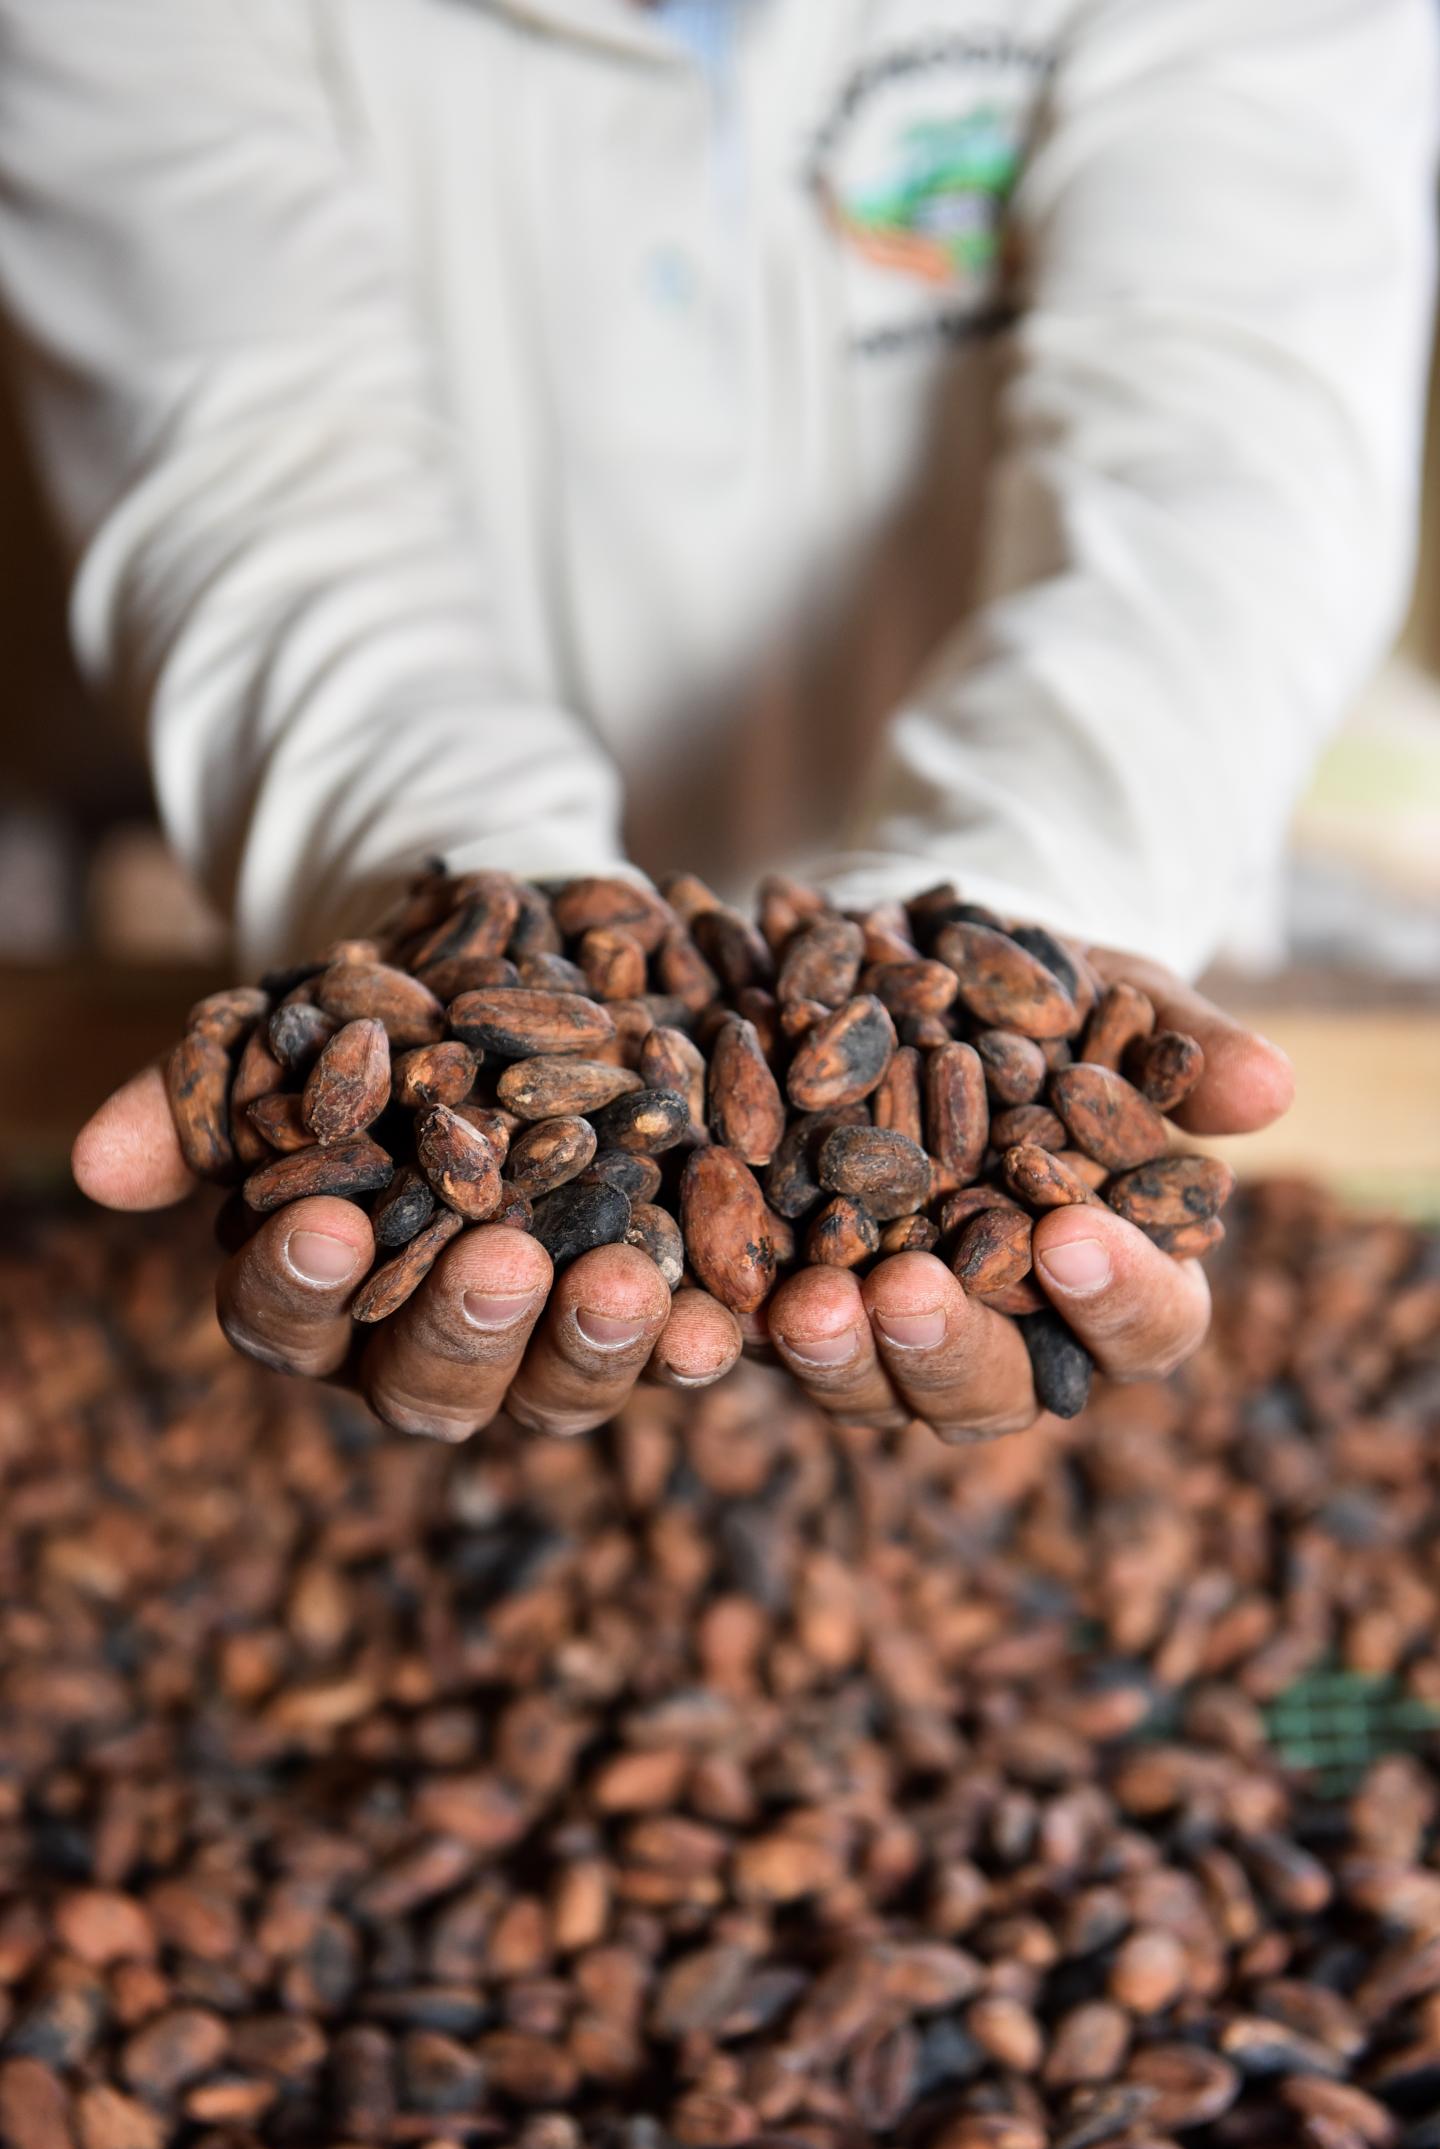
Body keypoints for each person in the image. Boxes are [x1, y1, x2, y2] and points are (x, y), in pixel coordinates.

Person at [0, 0, 1432, 1444]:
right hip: (436, 872)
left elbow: (1231, 442)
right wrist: (435, 874)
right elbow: (251, 460)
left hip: (1079, 867)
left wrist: (1042, 894)